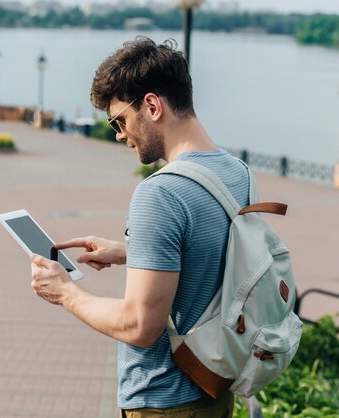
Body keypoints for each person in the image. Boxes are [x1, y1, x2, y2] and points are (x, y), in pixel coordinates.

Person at [30, 36, 248, 418]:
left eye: (119, 120)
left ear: (151, 105)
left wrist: (66, 293)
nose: (118, 134)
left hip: (164, 401)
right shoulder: (236, 172)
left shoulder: (160, 193)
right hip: (215, 389)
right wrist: (135, 252)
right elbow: (216, 255)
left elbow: (139, 326)